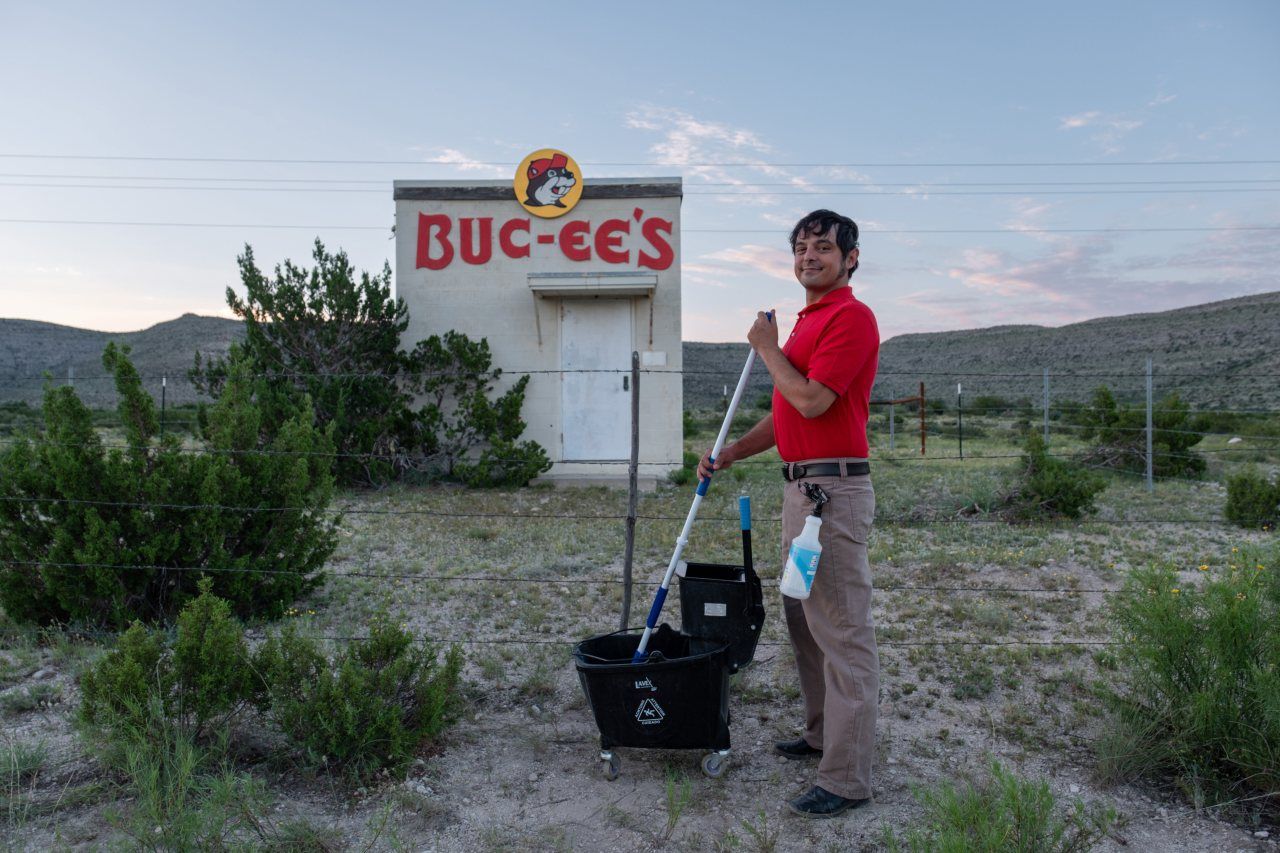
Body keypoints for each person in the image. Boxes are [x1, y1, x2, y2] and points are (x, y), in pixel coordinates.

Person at [697, 209, 879, 818]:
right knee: (803, 616)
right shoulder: (807, 325)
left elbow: (811, 397)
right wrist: (730, 454)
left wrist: (768, 349)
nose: (809, 256)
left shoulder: (851, 318)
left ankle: (847, 778)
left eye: (823, 247)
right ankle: (823, 732)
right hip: (800, 491)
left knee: (843, 628)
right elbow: (786, 417)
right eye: (801, 247)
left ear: (850, 258)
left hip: (833, 491)